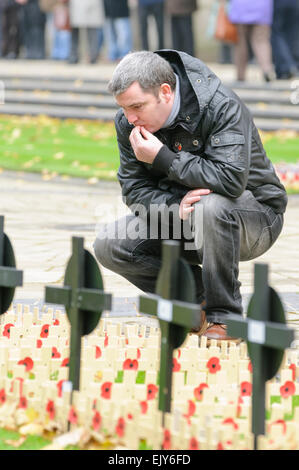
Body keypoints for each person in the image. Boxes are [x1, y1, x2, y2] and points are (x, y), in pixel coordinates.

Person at [93, 50, 287, 342]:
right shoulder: (128, 122)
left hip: (256, 216)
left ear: (165, 92)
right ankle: (197, 303)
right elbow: (133, 189)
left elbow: (231, 180)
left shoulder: (220, 106)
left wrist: (163, 158)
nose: (130, 119)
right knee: (110, 243)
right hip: (184, 215)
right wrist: (173, 207)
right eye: (124, 109)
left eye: (137, 107)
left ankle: (226, 318)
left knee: (210, 207)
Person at [228, 0, 275, 82]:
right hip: (262, 7)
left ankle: (240, 74)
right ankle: (266, 70)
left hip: (240, 7)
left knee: (240, 42)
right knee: (261, 41)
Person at [271, 0, 299, 79]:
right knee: (292, 34)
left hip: (279, 3)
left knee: (276, 33)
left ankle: (285, 67)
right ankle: (294, 64)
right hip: (295, 3)